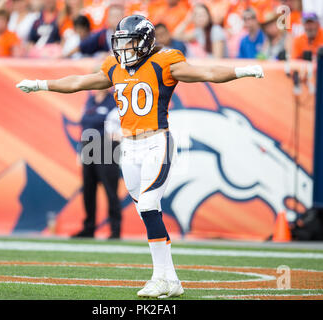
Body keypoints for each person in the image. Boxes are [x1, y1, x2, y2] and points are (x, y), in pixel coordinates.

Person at [16, 14, 264, 298]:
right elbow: (79, 82)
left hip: (156, 142)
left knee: (148, 204)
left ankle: (160, 278)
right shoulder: (114, 66)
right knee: (148, 210)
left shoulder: (165, 62)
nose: (123, 49)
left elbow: (206, 74)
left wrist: (241, 70)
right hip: (129, 149)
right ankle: (171, 279)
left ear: (145, 42)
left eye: (129, 42)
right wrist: (40, 84)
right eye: (120, 43)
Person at [72, 86, 122, 239]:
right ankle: (89, 227)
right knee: (88, 189)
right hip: (88, 146)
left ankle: (115, 229)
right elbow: (84, 125)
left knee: (110, 189)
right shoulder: (90, 101)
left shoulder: (113, 102)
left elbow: (118, 127)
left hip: (106, 146)